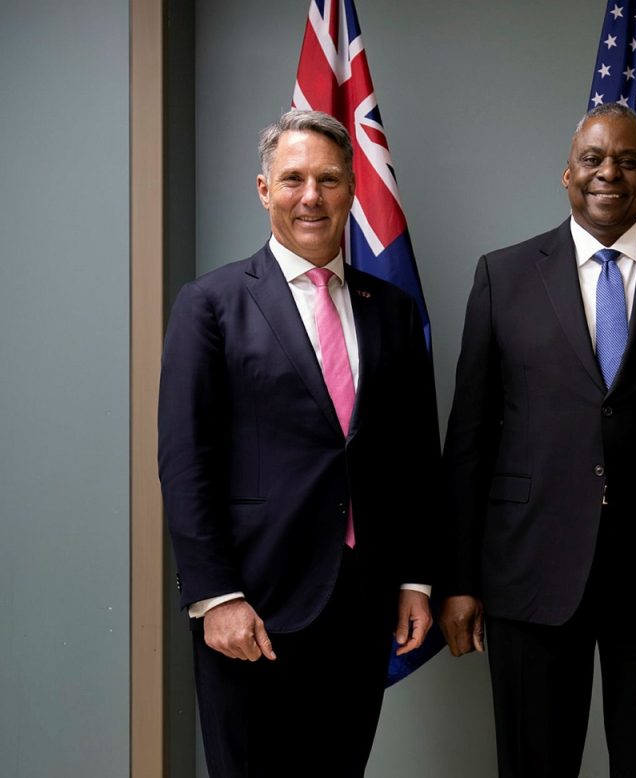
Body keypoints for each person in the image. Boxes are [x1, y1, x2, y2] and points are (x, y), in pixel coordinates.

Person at [439, 103, 636, 777]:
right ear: (567, 174)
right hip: (529, 573)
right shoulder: (504, 276)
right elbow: (469, 439)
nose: (609, 172)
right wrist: (459, 578)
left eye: (629, 161)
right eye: (594, 159)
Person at [158, 109, 440, 777]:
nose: (310, 196)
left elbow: (414, 457)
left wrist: (414, 576)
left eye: (329, 179)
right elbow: (185, 461)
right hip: (252, 607)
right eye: (293, 179)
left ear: (351, 191)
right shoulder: (211, 304)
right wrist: (215, 595)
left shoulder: (391, 310)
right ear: (264, 191)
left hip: (361, 601)